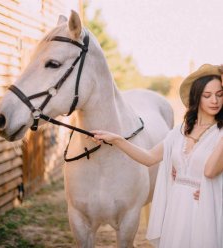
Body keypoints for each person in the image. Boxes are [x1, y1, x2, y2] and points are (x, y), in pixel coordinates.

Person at [92, 64, 223, 248]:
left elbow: (210, 172)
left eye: (220, 94)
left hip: (206, 207)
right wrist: (117, 140)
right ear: (196, 97)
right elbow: (149, 158)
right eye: (207, 95)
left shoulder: (220, 134)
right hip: (177, 206)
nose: (215, 101)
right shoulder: (179, 132)